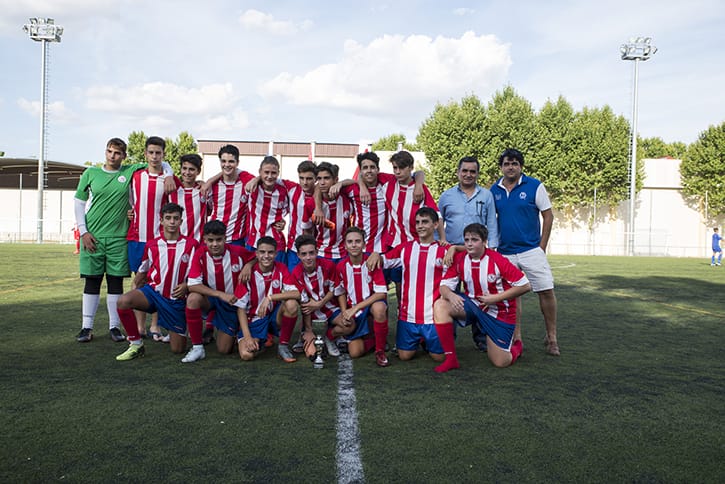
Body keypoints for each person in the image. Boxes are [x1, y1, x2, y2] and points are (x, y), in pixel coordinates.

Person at [73, 137, 172, 343]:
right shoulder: (90, 173)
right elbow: (79, 203)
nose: (112, 156)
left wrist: (170, 174)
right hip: (93, 235)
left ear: (124, 156)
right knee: (92, 281)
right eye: (109, 151)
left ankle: (114, 327)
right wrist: (83, 231)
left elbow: (160, 163)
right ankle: (86, 327)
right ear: (105, 152)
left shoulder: (130, 171)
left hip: (119, 237)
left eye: (117, 153)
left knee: (115, 282)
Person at [491, 148, 560, 356]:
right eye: (506, 164)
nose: (510, 167)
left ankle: (552, 338)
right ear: (501, 167)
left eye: (514, 163)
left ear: (521, 166)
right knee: (512, 296)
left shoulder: (535, 186)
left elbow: (548, 216)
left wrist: (541, 247)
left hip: (531, 250)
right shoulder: (494, 189)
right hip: (505, 252)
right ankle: (517, 337)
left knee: (546, 291)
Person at [435, 223, 531, 372]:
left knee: (500, 362)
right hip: (472, 305)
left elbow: (525, 285)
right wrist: (450, 295)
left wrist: (495, 298)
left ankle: (517, 347)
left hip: (498, 311)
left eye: (474, 240)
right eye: (467, 240)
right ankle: (451, 359)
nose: (469, 244)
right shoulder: (460, 259)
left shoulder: (498, 260)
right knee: (440, 305)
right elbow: (444, 286)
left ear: (484, 241)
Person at [367, 207, 455, 368]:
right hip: (408, 318)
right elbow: (384, 260)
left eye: (425, 222)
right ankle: (419, 340)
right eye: (418, 222)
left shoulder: (444, 251)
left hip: (432, 318)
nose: (420, 226)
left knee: (439, 358)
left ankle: (434, 337)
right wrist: (375, 254)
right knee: (404, 356)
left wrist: (453, 248)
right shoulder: (405, 248)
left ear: (436, 225)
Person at [115, 203, 199, 361]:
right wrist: (135, 288)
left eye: (176, 218)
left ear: (181, 221)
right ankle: (136, 344)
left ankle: (175, 329)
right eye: (168, 218)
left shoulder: (192, 245)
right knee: (123, 301)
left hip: (175, 301)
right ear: (161, 220)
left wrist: (187, 285)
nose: (172, 222)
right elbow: (142, 272)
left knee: (177, 349)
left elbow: (199, 274)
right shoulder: (152, 245)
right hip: (154, 294)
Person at [438, 156, 499, 351]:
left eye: (473, 171)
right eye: (464, 170)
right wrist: (441, 245)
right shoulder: (446, 196)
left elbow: (491, 223)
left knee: (480, 295)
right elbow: (438, 221)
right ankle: (448, 337)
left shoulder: (486, 195)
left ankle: (481, 338)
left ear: (477, 174)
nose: (468, 174)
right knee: (448, 294)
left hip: (478, 254)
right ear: (458, 172)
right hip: (452, 254)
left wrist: (492, 250)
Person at [127, 136, 179, 341]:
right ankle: (140, 327)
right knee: (139, 280)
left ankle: (155, 325)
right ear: (145, 154)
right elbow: (131, 203)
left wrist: (169, 173)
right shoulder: (136, 176)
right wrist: (130, 213)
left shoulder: (169, 180)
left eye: (158, 153)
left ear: (163, 155)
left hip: (159, 240)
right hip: (137, 238)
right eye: (151, 152)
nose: (155, 156)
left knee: (159, 282)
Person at [183, 220, 256, 363]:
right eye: (210, 240)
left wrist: (249, 264)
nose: (215, 244)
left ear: (225, 238)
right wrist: (220, 294)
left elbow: (256, 257)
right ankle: (197, 347)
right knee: (193, 298)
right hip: (212, 299)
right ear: (204, 239)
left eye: (219, 240)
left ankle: (230, 329)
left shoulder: (238, 251)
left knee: (224, 349)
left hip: (231, 303)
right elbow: (192, 285)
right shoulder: (200, 254)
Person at [232, 236, 300, 362]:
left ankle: (283, 346)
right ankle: (259, 339)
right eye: (262, 252)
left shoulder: (281, 268)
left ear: (276, 253)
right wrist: (247, 337)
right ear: (256, 254)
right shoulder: (247, 274)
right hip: (254, 320)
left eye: (270, 252)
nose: (266, 256)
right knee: (247, 355)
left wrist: (270, 298)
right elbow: (240, 309)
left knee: (291, 304)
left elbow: (297, 294)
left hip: (273, 316)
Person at [333, 227, 390, 366]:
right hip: (354, 311)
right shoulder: (341, 266)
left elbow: (381, 293)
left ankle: (380, 351)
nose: (354, 245)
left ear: (364, 244)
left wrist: (356, 307)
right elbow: (340, 291)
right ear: (345, 245)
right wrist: (344, 311)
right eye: (350, 242)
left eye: (358, 241)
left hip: (369, 307)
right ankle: (374, 338)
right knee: (355, 353)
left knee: (379, 308)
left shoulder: (372, 262)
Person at [291, 235, 341, 358]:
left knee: (349, 325)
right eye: (304, 254)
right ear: (298, 255)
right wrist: (308, 330)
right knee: (311, 353)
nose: (308, 257)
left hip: (330, 308)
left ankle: (328, 337)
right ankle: (308, 335)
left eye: (311, 253)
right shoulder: (296, 273)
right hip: (312, 314)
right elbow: (305, 305)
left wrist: (320, 303)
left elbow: (334, 289)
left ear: (317, 252)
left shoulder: (328, 266)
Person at [301, 162, 352, 262]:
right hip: (321, 254)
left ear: (336, 180)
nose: (322, 182)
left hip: (344, 254)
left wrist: (341, 184)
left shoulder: (347, 198)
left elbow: (357, 182)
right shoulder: (310, 204)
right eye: (319, 178)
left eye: (326, 178)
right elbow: (307, 231)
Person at [207, 144, 255, 246]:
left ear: (237, 163)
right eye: (223, 161)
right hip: (215, 239)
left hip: (237, 240)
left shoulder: (246, 182)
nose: (227, 164)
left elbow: (263, 178)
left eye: (231, 161)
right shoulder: (213, 185)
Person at [244, 156, 290, 262]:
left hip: (276, 243)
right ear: (260, 172)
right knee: (251, 270)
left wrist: (282, 222)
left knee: (278, 271)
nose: (269, 176)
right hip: (254, 241)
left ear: (278, 173)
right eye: (266, 172)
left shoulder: (284, 192)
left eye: (273, 173)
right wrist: (256, 179)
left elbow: (286, 211)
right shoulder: (252, 187)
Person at [282, 161, 318, 271]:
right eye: (301, 178)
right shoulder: (292, 188)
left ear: (316, 179)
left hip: (314, 250)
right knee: (292, 280)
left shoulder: (322, 194)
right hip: (294, 249)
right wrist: (256, 180)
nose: (305, 182)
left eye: (309, 179)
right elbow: (270, 177)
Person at [168, 153, 208, 241]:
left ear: (198, 171)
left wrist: (208, 182)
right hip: (177, 243)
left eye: (191, 169)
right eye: (184, 168)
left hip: (199, 243)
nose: (187, 173)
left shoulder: (203, 191)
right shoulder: (172, 190)